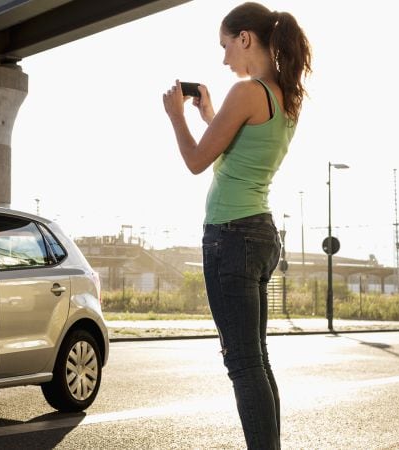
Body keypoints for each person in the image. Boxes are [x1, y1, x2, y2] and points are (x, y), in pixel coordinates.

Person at [162, 3, 311, 449]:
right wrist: (208, 114)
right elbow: (237, 152)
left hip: (231, 236)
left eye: (226, 45)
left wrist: (176, 115)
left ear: (245, 38)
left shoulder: (246, 91)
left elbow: (196, 161)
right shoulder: (283, 95)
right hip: (260, 234)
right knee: (256, 361)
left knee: (243, 363)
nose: (224, 58)